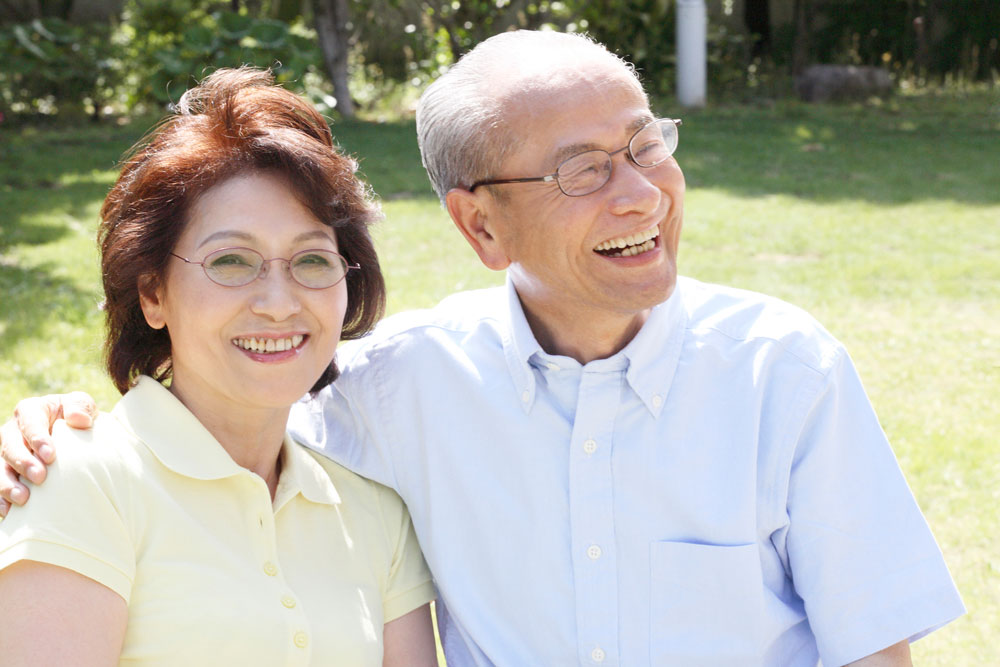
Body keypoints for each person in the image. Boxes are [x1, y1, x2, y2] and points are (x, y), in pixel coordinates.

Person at [1, 31, 963, 666]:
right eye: (582, 169)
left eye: (645, 146)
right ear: (481, 227)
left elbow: (872, 645)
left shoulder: (784, 371)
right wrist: (56, 432)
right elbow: (225, 398)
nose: (638, 194)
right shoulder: (393, 392)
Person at [0, 68, 437, 665]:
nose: (280, 303)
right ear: (152, 294)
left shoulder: (375, 514)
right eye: (231, 260)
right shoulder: (80, 479)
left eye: (312, 260)